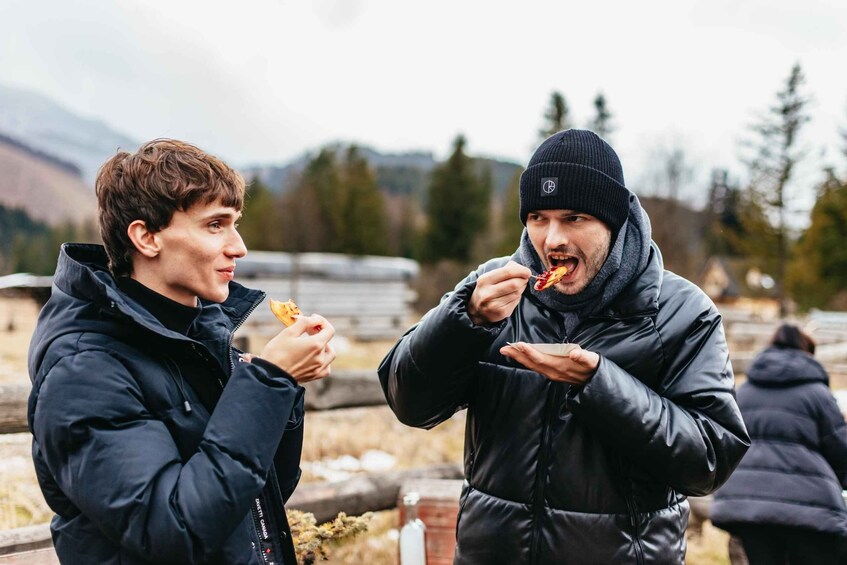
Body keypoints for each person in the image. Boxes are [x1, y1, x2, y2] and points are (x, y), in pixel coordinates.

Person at [378, 129, 750, 564]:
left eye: (574, 218)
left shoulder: (681, 312)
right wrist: (463, 321)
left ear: (612, 222)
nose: (552, 239)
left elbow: (710, 459)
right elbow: (408, 402)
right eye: (538, 217)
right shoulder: (492, 289)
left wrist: (599, 384)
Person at [27, 139, 335, 564]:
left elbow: (260, 491)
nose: (238, 246)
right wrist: (268, 383)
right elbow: (172, 529)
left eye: (236, 223)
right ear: (147, 237)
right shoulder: (83, 369)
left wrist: (282, 388)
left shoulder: (198, 336)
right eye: (215, 225)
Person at [711, 324, 847, 565]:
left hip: (747, 506)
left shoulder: (743, 393)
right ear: (807, 352)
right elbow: (840, 450)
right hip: (808, 509)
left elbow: (727, 447)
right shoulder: (817, 394)